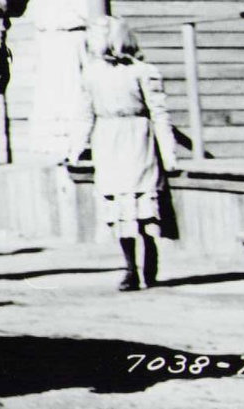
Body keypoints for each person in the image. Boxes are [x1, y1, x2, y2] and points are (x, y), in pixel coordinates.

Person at [71, 16, 180, 291]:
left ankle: (150, 261)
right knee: (120, 209)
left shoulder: (143, 71)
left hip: (138, 138)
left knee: (143, 206)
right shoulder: (92, 74)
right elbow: (85, 114)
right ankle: (130, 269)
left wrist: (168, 152)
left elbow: (159, 113)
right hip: (108, 139)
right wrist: (77, 147)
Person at [23, 0, 90, 160]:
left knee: (69, 90)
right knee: (50, 93)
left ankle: (74, 144)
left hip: (67, 45)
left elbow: (84, 16)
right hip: (49, 49)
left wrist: (59, 23)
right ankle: (55, 147)